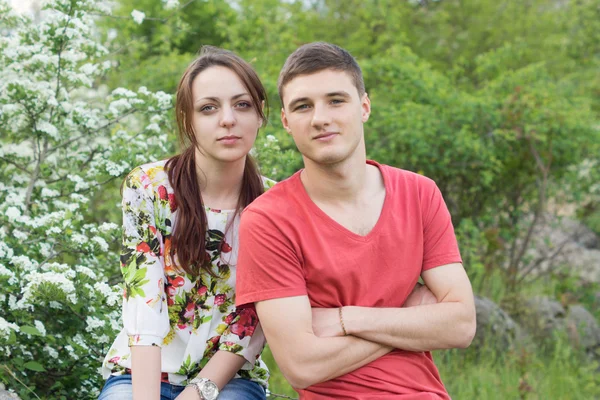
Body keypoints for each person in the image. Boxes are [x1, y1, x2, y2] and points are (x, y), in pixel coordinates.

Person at [235, 42, 476, 399]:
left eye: (336, 100)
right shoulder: (268, 220)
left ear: (364, 106)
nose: (320, 118)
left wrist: (348, 318)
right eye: (303, 106)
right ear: (287, 122)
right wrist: (409, 317)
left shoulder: (420, 193)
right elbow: (302, 365)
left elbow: (461, 325)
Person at [99, 46, 272, 400]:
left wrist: (196, 393)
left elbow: (251, 323)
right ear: (187, 119)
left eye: (242, 105)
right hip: (141, 372)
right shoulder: (148, 187)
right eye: (208, 107)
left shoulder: (274, 206)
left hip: (229, 379)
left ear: (260, 115)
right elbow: (142, 301)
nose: (227, 119)